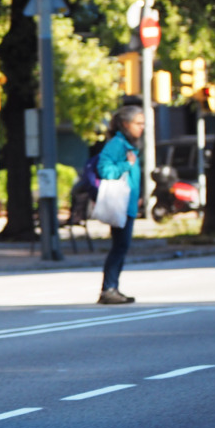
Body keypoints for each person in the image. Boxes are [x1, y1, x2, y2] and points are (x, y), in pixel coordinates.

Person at [96, 104, 144, 304]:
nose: (141, 127)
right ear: (125, 124)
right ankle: (109, 289)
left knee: (122, 246)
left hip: (128, 203)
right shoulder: (117, 144)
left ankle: (113, 287)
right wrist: (127, 164)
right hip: (120, 204)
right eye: (138, 123)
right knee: (119, 246)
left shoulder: (127, 145)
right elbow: (104, 170)